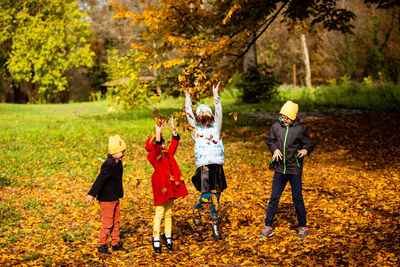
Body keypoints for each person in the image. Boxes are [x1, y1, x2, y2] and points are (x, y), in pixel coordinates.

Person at [259, 101, 314, 240]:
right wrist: (275, 150)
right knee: (274, 197)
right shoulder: (276, 127)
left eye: (286, 117)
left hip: (294, 168)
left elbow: (309, 143)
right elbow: (270, 140)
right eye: (282, 116)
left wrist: (305, 150)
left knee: (297, 198)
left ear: (293, 117)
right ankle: (268, 227)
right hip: (279, 168)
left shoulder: (299, 129)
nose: (283, 119)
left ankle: (303, 227)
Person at [184, 82, 227, 240]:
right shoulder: (195, 130)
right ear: (198, 117)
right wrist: (188, 97)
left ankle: (215, 224)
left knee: (217, 196)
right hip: (204, 167)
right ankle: (198, 209)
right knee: (207, 195)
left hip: (217, 166)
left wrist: (216, 95)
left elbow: (219, 111)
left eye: (207, 112)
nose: (204, 114)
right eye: (201, 112)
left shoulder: (216, 127)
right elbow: (188, 114)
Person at [145, 117, 188, 253]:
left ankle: (167, 235)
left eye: (163, 143)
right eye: (160, 144)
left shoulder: (168, 153)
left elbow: (174, 144)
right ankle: (155, 236)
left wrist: (173, 130)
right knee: (159, 213)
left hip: (171, 188)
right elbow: (156, 147)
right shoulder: (153, 157)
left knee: (169, 212)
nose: (163, 146)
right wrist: (158, 131)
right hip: (160, 188)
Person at [86, 135, 129, 255]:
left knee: (116, 222)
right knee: (108, 223)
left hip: (115, 197)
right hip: (106, 199)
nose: (124, 154)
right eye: (122, 152)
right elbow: (100, 179)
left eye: (124, 151)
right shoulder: (108, 164)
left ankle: (116, 243)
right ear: (114, 152)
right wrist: (92, 194)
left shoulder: (118, 162)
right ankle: (102, 245)